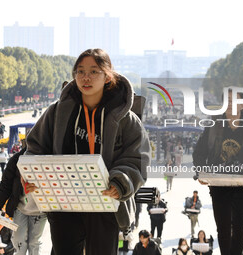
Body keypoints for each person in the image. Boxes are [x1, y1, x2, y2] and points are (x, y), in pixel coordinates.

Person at [24, 48, 151, 255]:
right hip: (64, 202)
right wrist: (31, 174)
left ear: (108, 76)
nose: (86, 77)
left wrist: (120, 182)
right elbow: (35, 147)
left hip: (104, 204)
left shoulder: (126, 119)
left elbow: (137, 158)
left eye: (94, 71)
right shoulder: (56, 112)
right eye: (80, 71)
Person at [193, 89, 243, 255]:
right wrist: (201, 172)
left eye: (235, 100)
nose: (231, 104)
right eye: (227, 100)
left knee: (240, 226)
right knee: (222, 227)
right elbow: (199, 153)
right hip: (219, 184)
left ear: (242, 104)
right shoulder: (213, 126)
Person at [0, 140, 47, 255]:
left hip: (40, 210)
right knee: (18, 240)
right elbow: (6, 183)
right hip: (20, 208)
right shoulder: (16, 159)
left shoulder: (48, 158)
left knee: (34, 242)